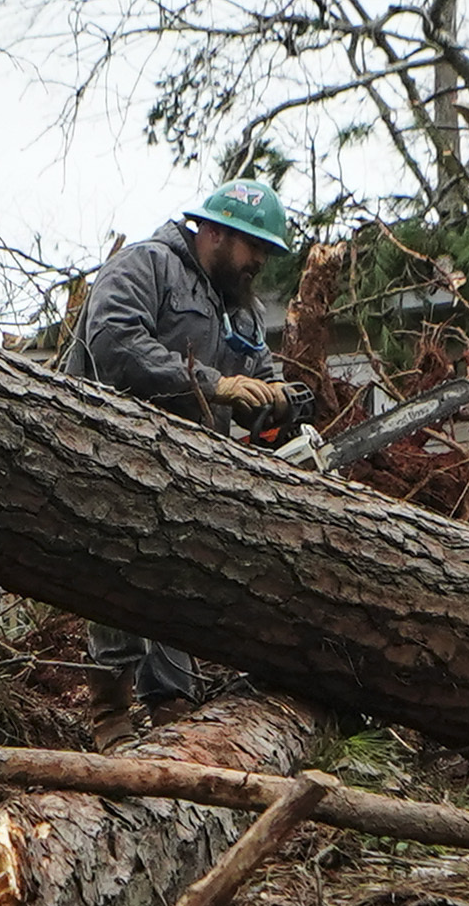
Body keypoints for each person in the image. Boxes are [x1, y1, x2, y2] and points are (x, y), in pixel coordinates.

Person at [63, 179, 298, 726]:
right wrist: (214, 384)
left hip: (186, 473)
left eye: (265, 250)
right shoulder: (145, 267)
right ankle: (111, 717)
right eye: (253, 246)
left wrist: (277, 401)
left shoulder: (240, 311)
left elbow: (257, 377)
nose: (258, 261)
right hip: (109, 454)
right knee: (114, 578)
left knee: (175, 582)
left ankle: (173, 711)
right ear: (214, 231)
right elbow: (114, 344)